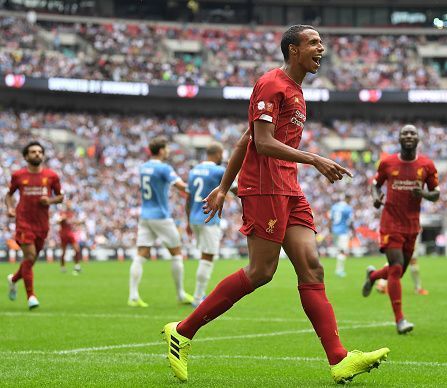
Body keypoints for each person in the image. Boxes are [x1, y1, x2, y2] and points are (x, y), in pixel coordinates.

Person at [162, 25, 389, 384]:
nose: (321, 48)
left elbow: (244, 139)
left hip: (288, 187)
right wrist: (313, 159)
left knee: (312, 267)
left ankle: (339, 359)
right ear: (292, 49)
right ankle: (183, 332)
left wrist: (223, 187)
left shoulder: (296, 92)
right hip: (265, 186)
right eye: (314, 42)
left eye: (321, 42)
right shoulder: (271, 83)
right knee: (261, 272)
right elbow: (262, 143)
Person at [362, 124, 440, 334]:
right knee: (396, 267)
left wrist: (422, 194)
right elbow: (375, 184)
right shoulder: (388, 162)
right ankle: (400, 320)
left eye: (412, 133)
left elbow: (436, 194)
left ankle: (372, 276)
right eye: (405, 133)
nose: (408, 136)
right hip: (390, 222)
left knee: (400, 271)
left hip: (412, 225)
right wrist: (376, 197)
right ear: (399, 138)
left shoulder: (427, 165)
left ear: (417, 139)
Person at [129, 136, 193, 307]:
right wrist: (198, 189)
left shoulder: (143, 167)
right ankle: (180, 294)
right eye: (167, 148)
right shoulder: (164, 168)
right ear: (162, 150)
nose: (169, 151)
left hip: (145, 215)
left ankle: (133, 296)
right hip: (161, 216)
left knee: (141, 254)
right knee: (177, 253)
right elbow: (182, 187)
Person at [6, 141, 63, 309]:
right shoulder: (18, 176)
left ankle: (14, 279)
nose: (37, 154)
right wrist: (10, 208)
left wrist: (50, 200)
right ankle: (31, 296)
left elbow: (60, 197)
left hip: (42, 224)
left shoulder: (52, 176)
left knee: (31, 260)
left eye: (39, 152)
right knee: (29, 257)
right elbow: (9, 195)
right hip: (23, 222)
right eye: (33, 152)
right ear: (26, 156)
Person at [186, 142, 229, 307]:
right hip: (208, 218)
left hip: (194, 217)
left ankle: (199, 294)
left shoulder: (193, 171)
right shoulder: (219, 170)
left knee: (204, 254)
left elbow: (188, 198)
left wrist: (188, 221)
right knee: (208, 256)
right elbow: (233, 189)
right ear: (218, 154)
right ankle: (198, 297)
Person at [329, 194, 353, 277]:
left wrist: (330, 230)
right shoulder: (348, 208)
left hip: (334, 231)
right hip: (343, 231)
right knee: (342, 251)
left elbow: (330, 219)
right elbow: (350, 221)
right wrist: (353, 231)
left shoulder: (335, 206)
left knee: (339, 250)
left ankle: (339, 270)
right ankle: (339, 270)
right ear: (348, 199)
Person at [58, 200, 82, 275]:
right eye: (68, 204)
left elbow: (74, 222)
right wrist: (62, 219)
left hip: (70, 234)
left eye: (70, 204)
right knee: (63, 252)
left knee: (77, 249)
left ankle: (77, 266)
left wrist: (78, 222)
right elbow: (58, 221)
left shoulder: (71, 213)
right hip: (63, 234)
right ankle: (62, 267)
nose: (69, 205)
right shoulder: (62, 213)